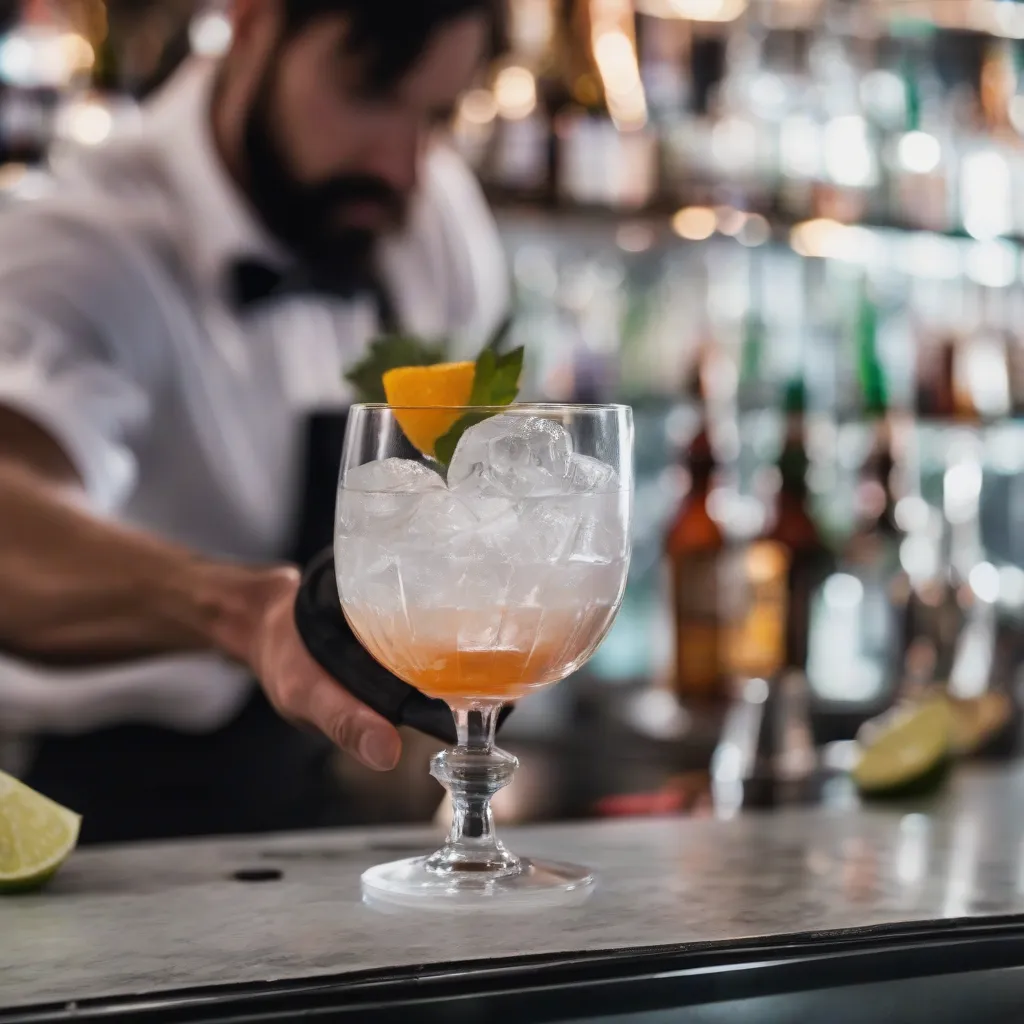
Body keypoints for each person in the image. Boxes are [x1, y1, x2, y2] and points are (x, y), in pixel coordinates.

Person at [0, 0, 509, 842]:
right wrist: (242, 612)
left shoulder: (427, 220)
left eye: (438, 115)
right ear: (251, 20)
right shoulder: (83, 245)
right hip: (97, 805)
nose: (407, 166)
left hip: (318, 797)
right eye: (370, 91)